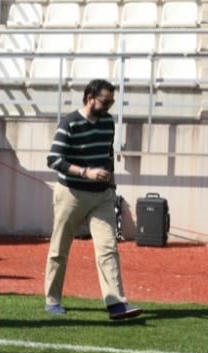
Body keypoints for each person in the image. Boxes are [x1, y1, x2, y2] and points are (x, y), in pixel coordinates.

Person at [45, 79, 142, 320]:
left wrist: (111, 184)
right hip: (71, 194)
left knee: (108, 248)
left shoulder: (108, 122)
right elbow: (54, 159)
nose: (109, 106)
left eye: (111, 101)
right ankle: (52, 299)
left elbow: (108, 153)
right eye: (105, 101)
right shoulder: (70, 123)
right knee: (60, 248)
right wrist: (85, 172)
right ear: (90, 98)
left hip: (102, 196)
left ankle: (116, 303)